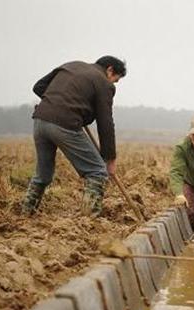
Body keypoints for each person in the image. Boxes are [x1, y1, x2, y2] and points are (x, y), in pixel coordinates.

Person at [21, 55, 127, 217]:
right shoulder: (104, 83)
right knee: (97, 172)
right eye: (115, 80)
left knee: (42, 175)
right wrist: (110, 158)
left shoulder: (71, 65)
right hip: (64, 124)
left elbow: (39, 87)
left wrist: (58, 103)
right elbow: (105, 123)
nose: (113, 83)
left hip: (40, 121)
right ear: (110, 70)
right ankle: (89, 222)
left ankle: (25, 213)